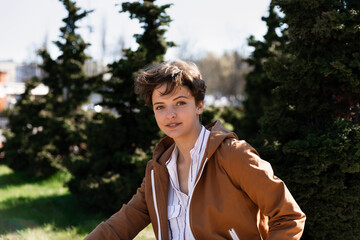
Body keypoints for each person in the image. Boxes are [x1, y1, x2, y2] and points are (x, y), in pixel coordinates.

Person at [84, 60, 306, 240]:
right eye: (160, 107)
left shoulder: (232, 154)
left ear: (199, 105)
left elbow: (289, 217)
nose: (169, 114)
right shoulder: (158, 172)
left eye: (180, 103)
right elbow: (118, 228)